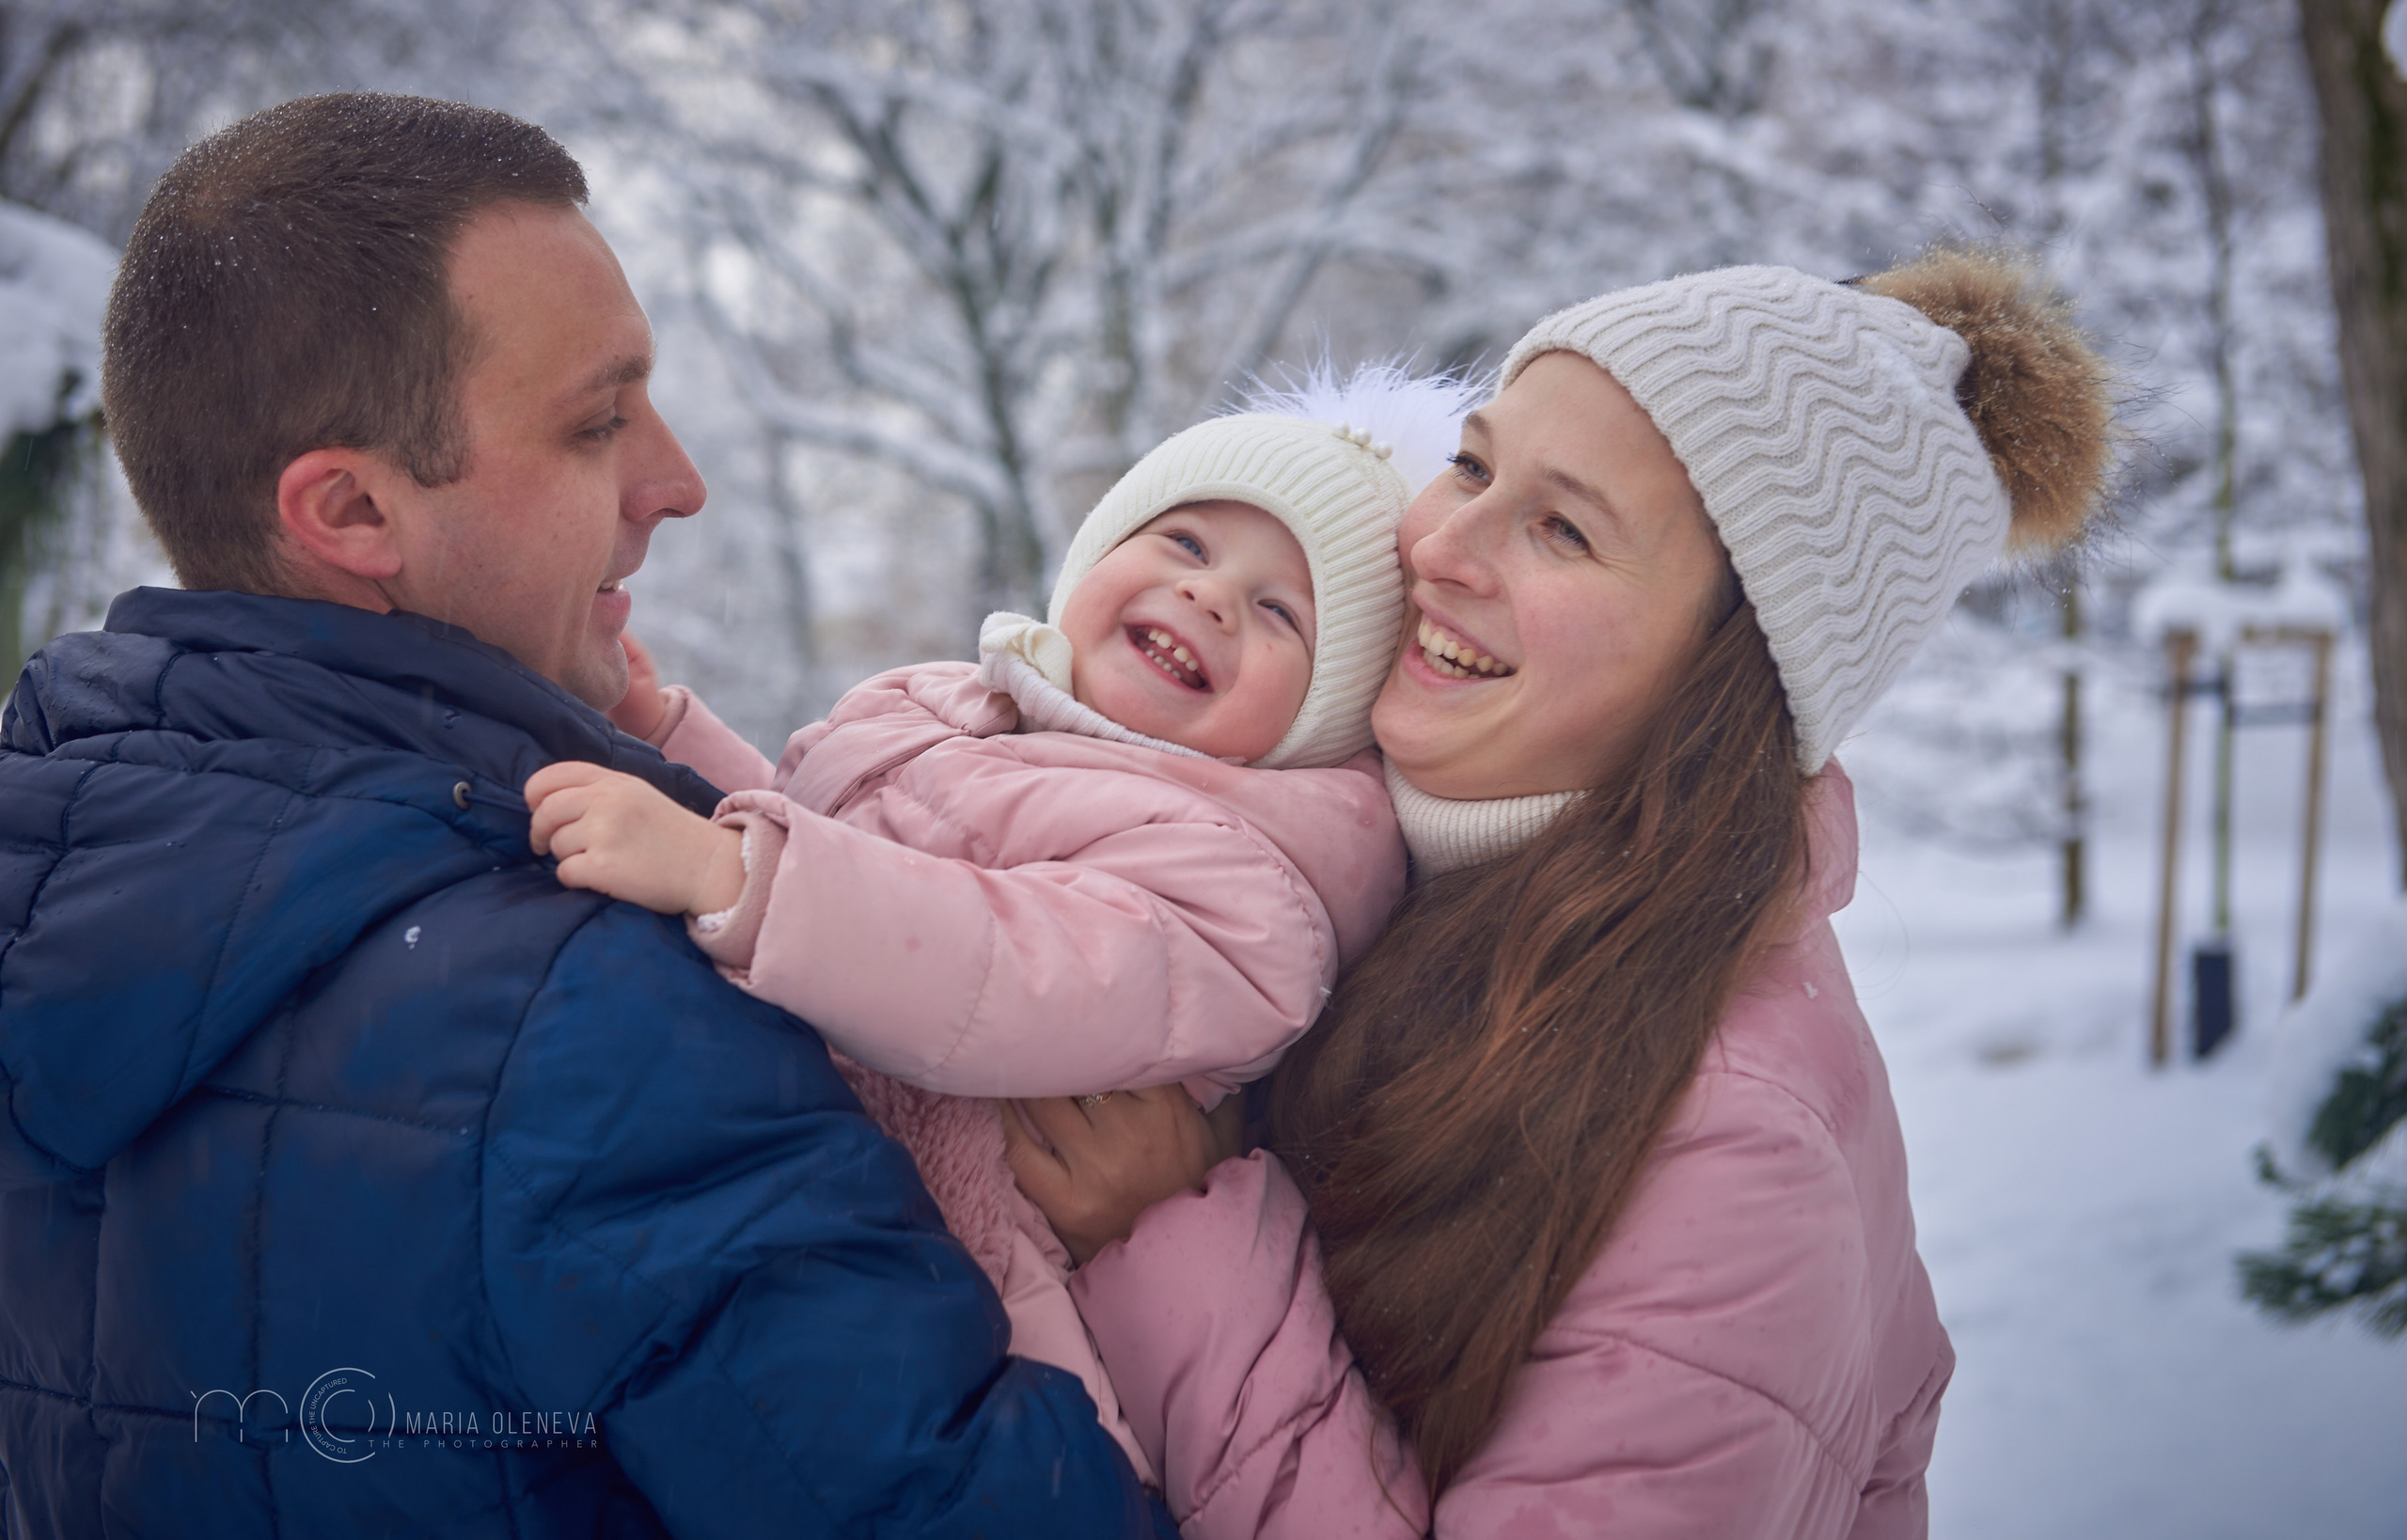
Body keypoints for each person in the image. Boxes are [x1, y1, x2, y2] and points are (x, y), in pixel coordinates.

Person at [0, 92, 1164, 1538]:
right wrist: (1164, 1245)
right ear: (352, 512)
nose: (676, 482)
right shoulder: (590, 1017)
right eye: (598, 420)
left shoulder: (44, 898)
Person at [1007, 249, 2116, 1537]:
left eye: (1565, 530)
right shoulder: (1340, 864)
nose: (1441, 545)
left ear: (1728, 678)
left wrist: (1178, 1240)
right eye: (1474, 465)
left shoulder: (1736, 1150)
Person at [522, 376, 1468, 1478]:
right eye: (1186, 541)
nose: (1210, 596)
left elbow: (1007, 964)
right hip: (816, 1196)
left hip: (978, 1316)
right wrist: (679, 749)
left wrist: (727, 868)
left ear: (1322, 720)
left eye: (1280, 612)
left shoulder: (1248, 889)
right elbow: (838, 835)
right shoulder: (950, 708)